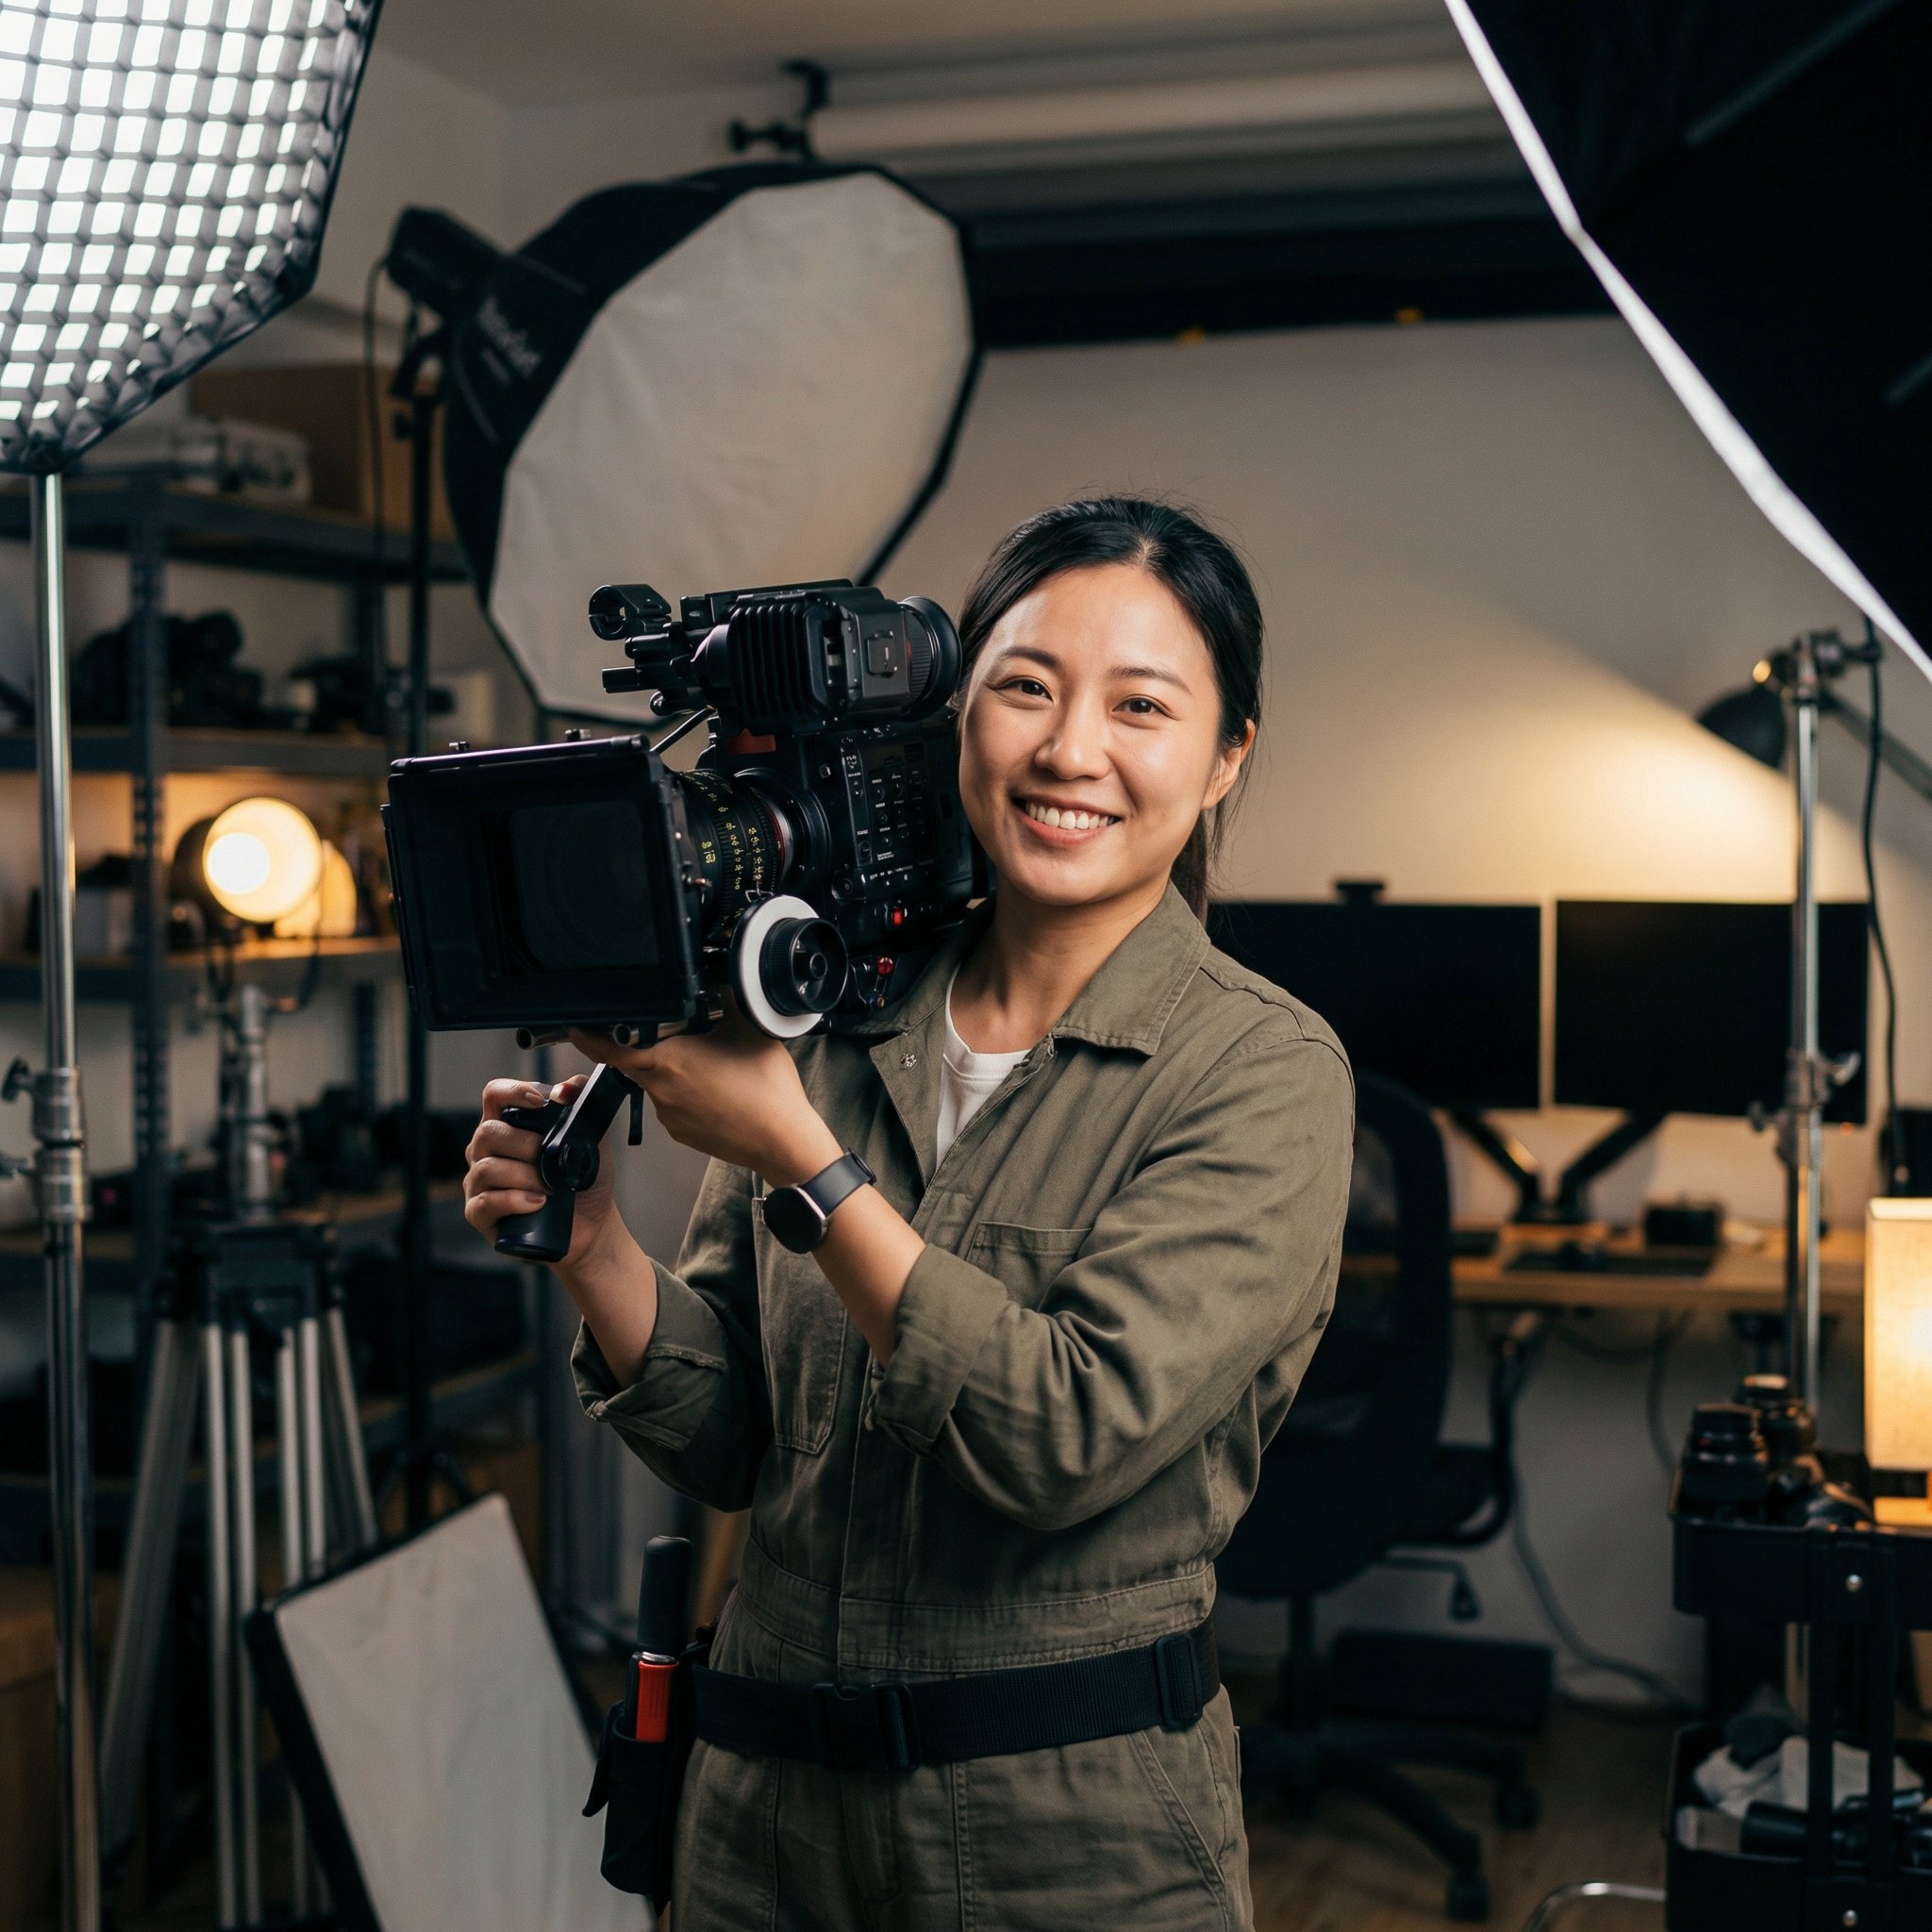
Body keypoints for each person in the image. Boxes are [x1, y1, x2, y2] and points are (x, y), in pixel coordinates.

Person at [462, 496, 1354, 1930]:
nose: (1072, 752)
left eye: (1142, 706)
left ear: (1227, 754)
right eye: (1025, 688)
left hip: (1070, 1839)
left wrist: (808, 1167)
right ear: (958, 717)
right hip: (759, 1820)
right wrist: (596, 1252)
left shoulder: (1261, 1071)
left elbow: (1063, 1437)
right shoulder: (827, 1017)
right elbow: (734, 1444)